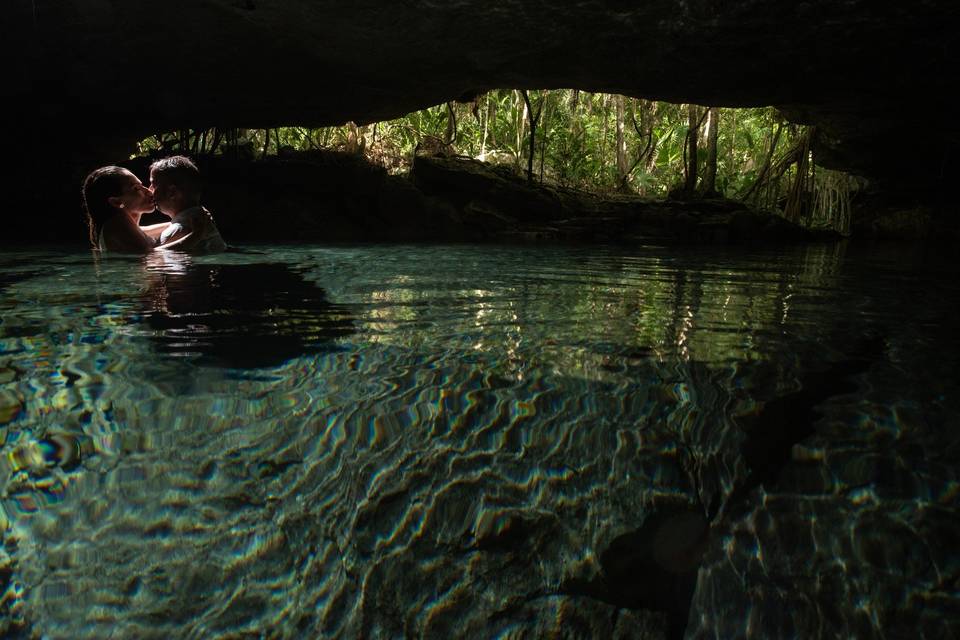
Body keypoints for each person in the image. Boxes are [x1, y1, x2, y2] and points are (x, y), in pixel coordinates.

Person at [149, 155, 227, 253]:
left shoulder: (178, 229)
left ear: (172, 192)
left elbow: (152, 259)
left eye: (153, 185)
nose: (149, 190)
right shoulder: (200, 219)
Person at [82, 167, 170, 253]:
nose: (149, 192)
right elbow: (150, 254)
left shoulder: (121, 228)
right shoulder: (116, 225)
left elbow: (156, 230)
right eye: (136, 188)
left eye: (142, 185)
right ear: (116, 202)